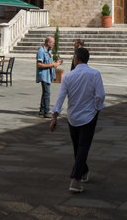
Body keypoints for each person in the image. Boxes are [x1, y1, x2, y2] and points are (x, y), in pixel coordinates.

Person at [50, 47, 106, 193]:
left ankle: (82, 172)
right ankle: (76, 179)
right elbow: (100, 95)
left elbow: (61, 97)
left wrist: (54, 116)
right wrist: (96, 108)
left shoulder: (68, 77)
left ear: (76, 59)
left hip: (73, 116)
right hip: (89, 116)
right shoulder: (95, 74)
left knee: (78, 147)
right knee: (83, 147)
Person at [36, 36, 62, 118]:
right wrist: (51, 65)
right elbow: (39, 64)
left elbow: (50, 63)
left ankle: (42, 110)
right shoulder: (41, 51)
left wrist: (56, 64)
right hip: (44, 75)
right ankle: (46, 111)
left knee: (45, 93)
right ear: (48, 43)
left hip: (48, 75)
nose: (54, 44)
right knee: (47, 93)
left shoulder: (48, 52)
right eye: (53, 43)